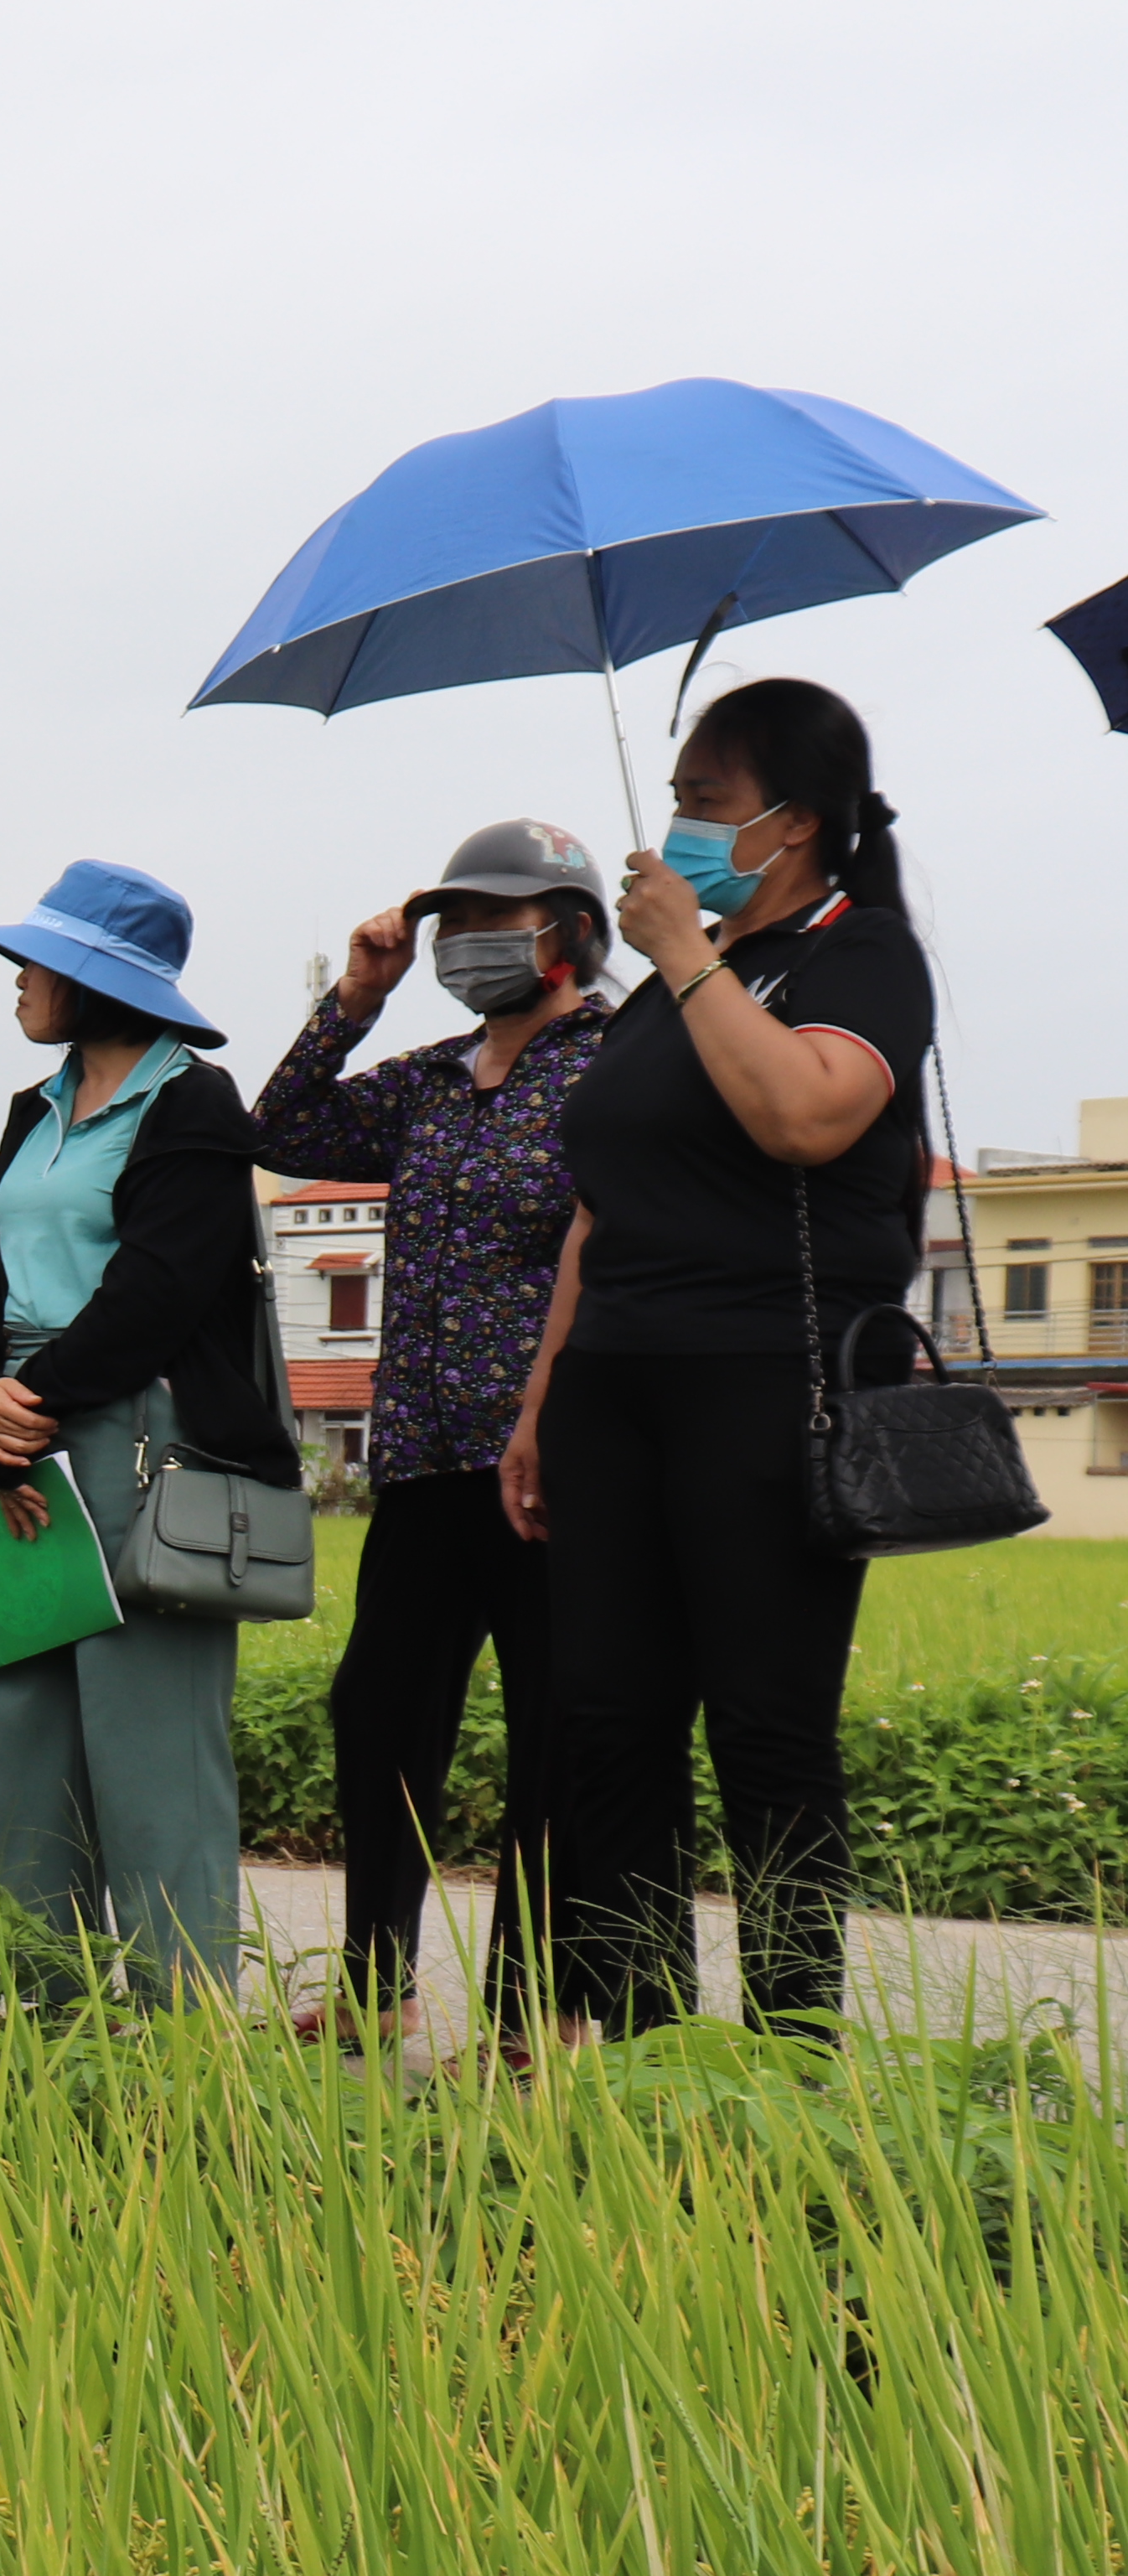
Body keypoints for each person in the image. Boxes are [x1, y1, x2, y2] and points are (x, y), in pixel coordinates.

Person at [510, 678, 936, 2045]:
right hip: (614, 1392)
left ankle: (792, 2059)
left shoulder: (857, 957)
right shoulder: (660, 1003)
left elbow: (808, 1115)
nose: (679, 823)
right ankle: (634, 2054)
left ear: (794, 825)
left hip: (769, 1385)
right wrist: (539, 1407)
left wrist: (688, 957)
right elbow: (596, 1213)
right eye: (680, 795)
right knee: (609, 1727)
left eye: (707, 800)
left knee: (765, 1730)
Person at [250, 817, 607, 2060]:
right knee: (381, 1716)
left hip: (551, 1467)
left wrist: (553, 1422)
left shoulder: (618, 1068)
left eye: (496, 917)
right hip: (416, 1457)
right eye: (452, 918)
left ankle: (534, 2012)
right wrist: (355, 996)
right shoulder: (430, 1077)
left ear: (569, 933)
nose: (466, 940)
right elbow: (281, 1133)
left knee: (555, 1734)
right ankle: (373, 1981)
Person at [0, 862, 284, 2009]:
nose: (19, 982)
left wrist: (31, 1400)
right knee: (28, 1731)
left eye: (37, 964)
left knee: (150, 1749)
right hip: (24, 1435)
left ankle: (176, 2023)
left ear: (96, 979)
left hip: (135, 1433)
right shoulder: (30, 1110)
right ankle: (42, 2000)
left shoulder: (193, 1104)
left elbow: (163, 1289)